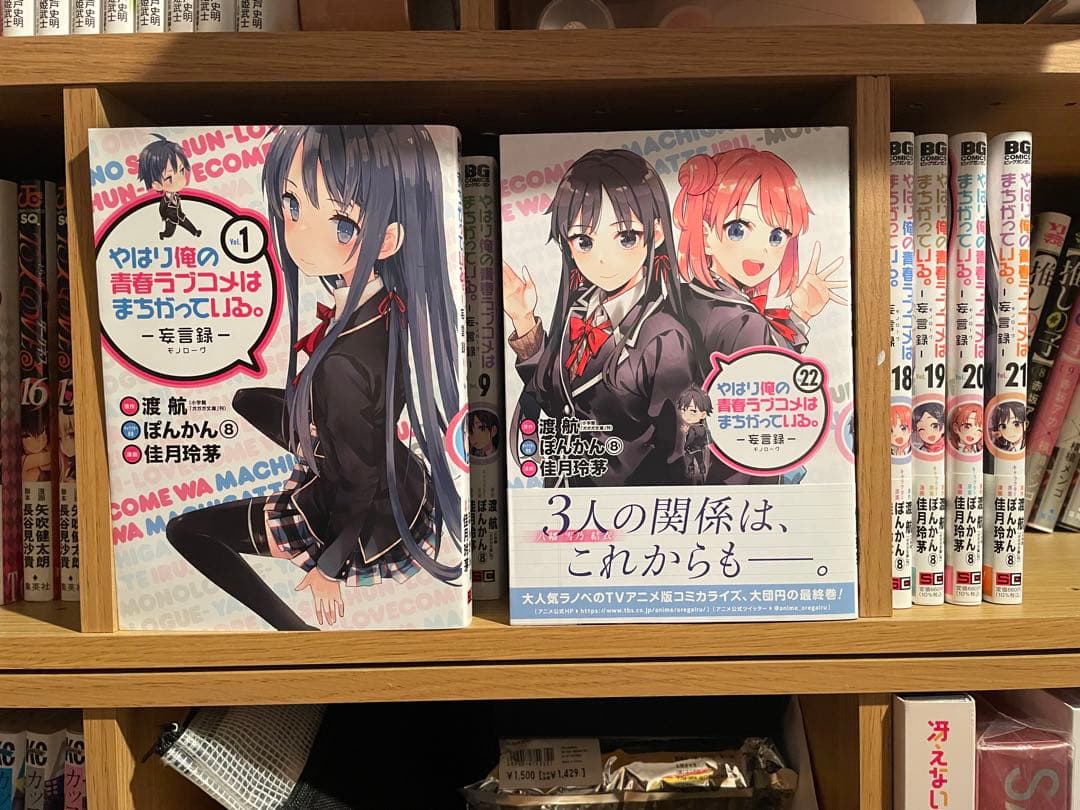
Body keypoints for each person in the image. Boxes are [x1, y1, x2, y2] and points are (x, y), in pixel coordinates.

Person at [166, 126, 463, 630]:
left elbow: (360, 482)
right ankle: (317, 445)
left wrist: (329, 566)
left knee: (185, 530)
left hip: (353, 511)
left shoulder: (344, 368)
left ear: (387, 239)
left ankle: (292, 631)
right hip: (376, 459)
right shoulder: (386, 299)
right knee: (246, 399)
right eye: (292, 204)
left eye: (343, 225)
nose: (300, 233)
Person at [503, 149, 694, 486]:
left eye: (626, 237)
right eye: (584, 240)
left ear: (657, 233)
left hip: (631, 505)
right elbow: (552, 399)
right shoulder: (579, 308)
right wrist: (523, 319)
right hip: (564, 497)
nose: (603, 259)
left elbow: (680, 452)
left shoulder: (664, 336)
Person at [136, 134, 202, 240]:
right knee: (169, 233)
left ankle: (195, 232)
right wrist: (165, 217)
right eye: (169, 178)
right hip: (171, 219)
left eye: (181, 170)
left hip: (180, 216)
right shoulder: (164, 201)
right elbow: (162, 209)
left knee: (188, 224)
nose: (179, 180)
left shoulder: (176, 194)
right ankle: (163, 235)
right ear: (157, 185)